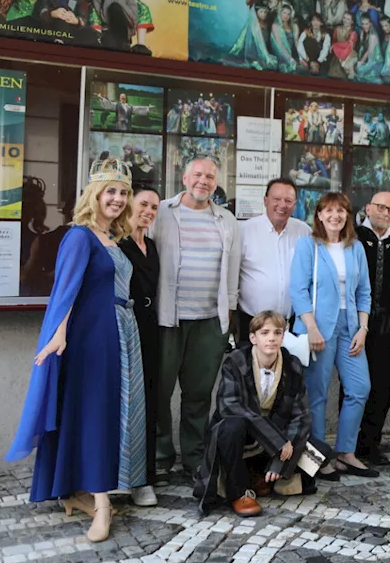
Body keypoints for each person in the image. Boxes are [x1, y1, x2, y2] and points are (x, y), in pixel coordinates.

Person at [6, 157, 146, 544]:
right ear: (94, 195)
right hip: (91, 336)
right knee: (95, 413)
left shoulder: (112, 238)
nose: (117, 199)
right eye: (110, 192)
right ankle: (102, 503)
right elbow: (64, 292)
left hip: (118, 331)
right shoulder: (79, 236)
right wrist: (59, 334)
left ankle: (79, 489)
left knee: (105, 411)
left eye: (123, 192)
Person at [193, 312, 330, 517]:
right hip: (242, 439)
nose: (271, 338)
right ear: (253, 338)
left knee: (319, 452)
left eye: (277, 332)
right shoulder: (235, 361)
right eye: (264, 332)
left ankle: (261, 476)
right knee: (232, 425)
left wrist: (280, 460)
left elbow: (301, 417)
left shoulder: (292, 366)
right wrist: (276, 440)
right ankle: (239, 492)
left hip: (273, 443)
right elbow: (229, 406)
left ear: (283, 337)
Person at [154, 156, 240, 478]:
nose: (203, 181)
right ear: (185, 176)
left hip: (209, 321)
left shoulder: (226, 220)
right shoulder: (162, 212)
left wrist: (228, 313)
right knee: (160, 391)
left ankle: (193, 457)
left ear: (216, 182)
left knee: (199, 394)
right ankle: (160, 458)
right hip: (168, 319)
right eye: (198, 175)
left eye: (210, 177)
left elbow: (232, 271)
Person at [289, 192, 374, 479]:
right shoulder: (308, 245)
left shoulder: (356, 248)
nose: (335, 216)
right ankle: (318, 456)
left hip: (350, 327)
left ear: (348, 215)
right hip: (318, 328)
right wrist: (311, 327)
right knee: (317, 394)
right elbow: (298, 289)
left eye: (341, 211)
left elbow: (364, 292)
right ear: (320, 215)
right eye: (329, 211)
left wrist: (363, 328)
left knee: (360, 388)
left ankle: (346, 453)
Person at [353, 191, 390, 464]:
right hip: (354, 322)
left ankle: (370, 444)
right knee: (354, 386)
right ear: (368, 207)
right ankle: (348, 445)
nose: (384, 212)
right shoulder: (352, 237)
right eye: (380, 207)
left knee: (382, 386)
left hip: (386, 324)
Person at [118, 186, 160, 507]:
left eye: (154, 207)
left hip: (151, 328)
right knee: (126, 402)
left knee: (149, 401)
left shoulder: (153, 246)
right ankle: (120, 475)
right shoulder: (117, 244)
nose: (148, 211)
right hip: (124, 326)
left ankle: (143, 478)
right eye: (143, 204)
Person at [236, 179, 310, 347]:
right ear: (265, 201)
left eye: (288, 201)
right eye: (276, 199)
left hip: (292, 325)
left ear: (294, 204)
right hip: (252, 323)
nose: (282, 205)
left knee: (288, 371)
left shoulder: (304, 232)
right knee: (250, 370)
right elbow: (232, 276)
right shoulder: (244, 231)